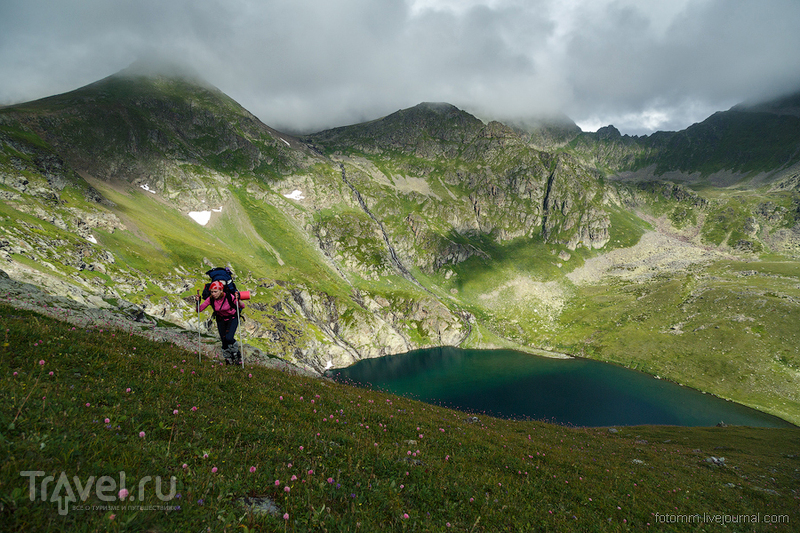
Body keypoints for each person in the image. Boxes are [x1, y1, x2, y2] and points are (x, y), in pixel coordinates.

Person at [196, 281, 245, 364]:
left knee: (229, 338)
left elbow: (242, 306)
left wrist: (238, 300)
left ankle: (236, 354)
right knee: (224, 340)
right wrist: (198, 301)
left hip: (232, 318)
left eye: (215, 292)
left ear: (221, 291)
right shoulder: (211, 299)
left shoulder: (229, 296)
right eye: (211, 292)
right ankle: (228, 358)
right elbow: (199, 309)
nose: (213, 294)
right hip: (220, 319)